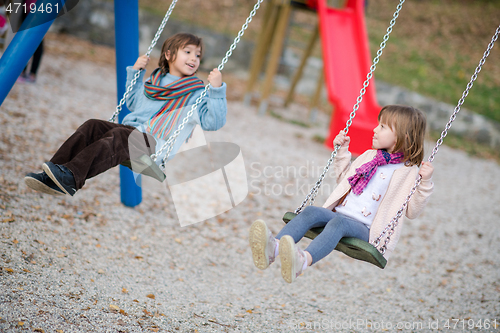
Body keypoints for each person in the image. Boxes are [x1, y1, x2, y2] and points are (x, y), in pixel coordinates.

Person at [24, 32, 227, 196]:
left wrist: (217, 90)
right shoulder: (155, 82)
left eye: (198, 55)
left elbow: (213, 122)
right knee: (93, 125)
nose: (194, 58)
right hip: (133, 131)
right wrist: (136, 75)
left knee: (121, 137)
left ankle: (71, 176)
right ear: (168, 54)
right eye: (188, 51)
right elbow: (132, 102)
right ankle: (54, 173)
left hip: (155, 144)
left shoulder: (197, 94)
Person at [249, 105, 434, 283]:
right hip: (340, 214)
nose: (375, 129)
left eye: (383, 126)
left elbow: (412, 211)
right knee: (312, 211)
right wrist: (342, 152)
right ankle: (273, 249)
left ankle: (302, 261)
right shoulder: (370, 157)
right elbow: (345, 180)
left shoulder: (408, 171)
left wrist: (424, 183)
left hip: (366, 229)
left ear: (402, 136)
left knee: (339, 223)